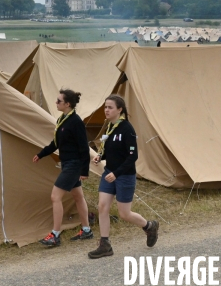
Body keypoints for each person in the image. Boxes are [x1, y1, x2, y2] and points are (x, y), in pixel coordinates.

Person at [88, 94, 159, 259]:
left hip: (124, 176)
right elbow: (111, 151)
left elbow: (132, 157)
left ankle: (149, 226)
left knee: (124, 214)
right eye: (105, 107)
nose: (106, 110)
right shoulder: (110, 128)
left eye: (110, 107)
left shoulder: (127, 129)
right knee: (102, 207)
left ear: (119, 109)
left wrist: (117, 173)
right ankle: (104, 244)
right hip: (109, 173)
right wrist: (101, 156)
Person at [33, 89, 92, 247]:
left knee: (55, 196)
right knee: (78, 197)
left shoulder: (76, 122)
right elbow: (56, 143)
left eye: (59, 101)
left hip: (74, 165)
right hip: (67, 163)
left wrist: (84, 171)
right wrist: (41, 154)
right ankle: (86, 230)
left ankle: (55, 234)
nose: (56, 103)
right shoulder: (63, 119)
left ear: (67, 104)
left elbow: (84, 148)